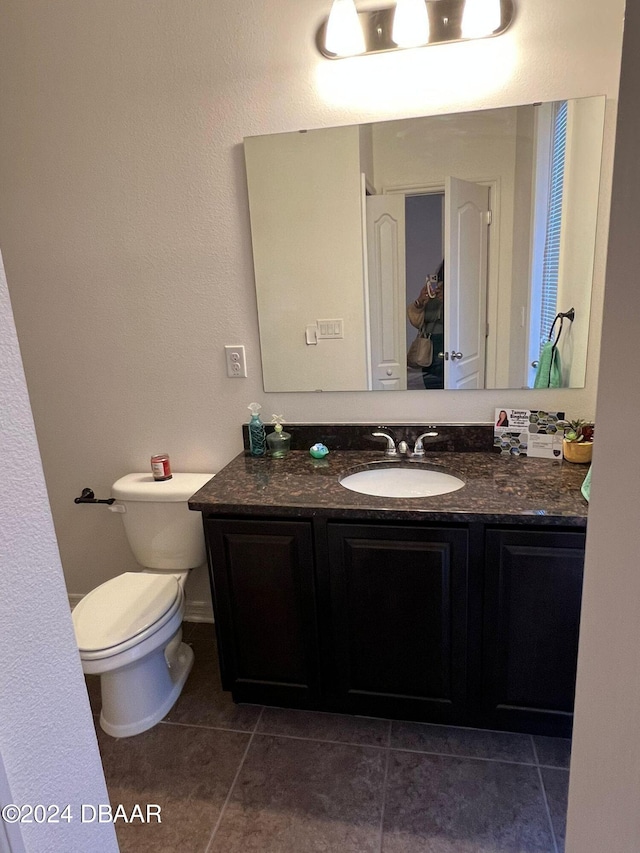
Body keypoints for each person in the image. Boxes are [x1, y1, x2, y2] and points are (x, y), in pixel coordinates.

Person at [407, 261, 444, 389]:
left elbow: (461, 320)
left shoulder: (459, 291)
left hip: (447, 342)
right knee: (430, 385)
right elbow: (417, 322)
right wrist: (420, 301)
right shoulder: (433, 289)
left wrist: (448, 300)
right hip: (429, 343)